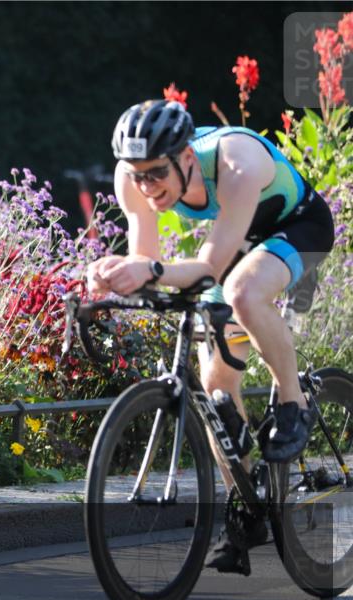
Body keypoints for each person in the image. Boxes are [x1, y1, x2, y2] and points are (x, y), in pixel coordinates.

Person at [86, 99, 335, 573]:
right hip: (237, 241)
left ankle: (294, 400)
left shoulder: (236, 162)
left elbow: (208, 268)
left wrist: (150, 270)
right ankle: (245, 515)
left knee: (242, 292)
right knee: (217, 387)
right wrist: (114, 272)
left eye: (156, 173)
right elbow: (148, 263)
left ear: (184, 158)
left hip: (298, 225)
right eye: (137, 174)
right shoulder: (132, 179)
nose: (146, 186)